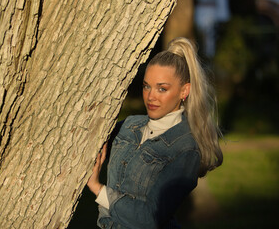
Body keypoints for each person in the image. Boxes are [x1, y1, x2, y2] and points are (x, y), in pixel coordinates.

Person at [87, 37, 223, 229]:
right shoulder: (130, 125)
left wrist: (98, 189)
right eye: (146, 86)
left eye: (162, 88)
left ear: (184, 91)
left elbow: (150, 219)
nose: (151, 96)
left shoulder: (185, 149)